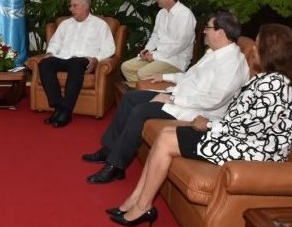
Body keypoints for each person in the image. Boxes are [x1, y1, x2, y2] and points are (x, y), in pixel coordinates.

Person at [108, 23, 292, 227]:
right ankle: (137, 200)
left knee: (166, 140)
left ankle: (142, 205)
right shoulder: (280, 81)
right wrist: (213, 124)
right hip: (241, 140)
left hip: (251, 151)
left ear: (271, 52)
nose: (253, 49)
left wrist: (210, 125)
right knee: (166, 134)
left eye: (258, 44)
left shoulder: (273, 85)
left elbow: (249, 128)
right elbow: (246, 122)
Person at [82, 11, 249, 184]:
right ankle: (109, 149)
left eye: (208, 28)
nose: (205, 31)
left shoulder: (232, 63)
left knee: (141, 111)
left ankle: (116, 166)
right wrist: (166, 78)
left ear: (220, 32)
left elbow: (214, 101)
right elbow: (191, 77)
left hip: (198, 111)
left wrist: (172, 100)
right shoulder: (213, 52)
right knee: (130, 98)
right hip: (181, 97)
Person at [37, 0, 116, 128]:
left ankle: (65, 111)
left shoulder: (100, 25)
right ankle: (59, 107)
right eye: (70, 6)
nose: (71, 9)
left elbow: (109, 48)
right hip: (63, 57)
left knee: (77, 63)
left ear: (86, 6)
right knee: (44, 64)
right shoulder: (65, 24)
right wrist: (50, 52)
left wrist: (96, 59)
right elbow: (55, 42)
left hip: (82, 59)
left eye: (75, 6)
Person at [121, 0, 196, 85]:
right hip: (159, 56)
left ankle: (145, 94)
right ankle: (141, 93)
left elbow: (178, 46)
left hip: (175, 60)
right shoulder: (162, 13)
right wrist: (147, 50)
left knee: (143, 73)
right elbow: (155, 35)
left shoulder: (185, 15)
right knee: (127, 67)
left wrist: (155, 56)